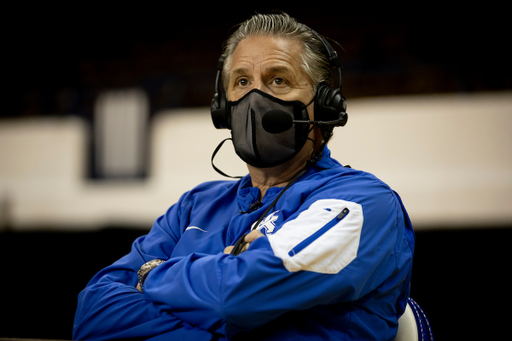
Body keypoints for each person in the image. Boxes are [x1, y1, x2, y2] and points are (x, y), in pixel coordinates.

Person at [73, 12, 415, 341]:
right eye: (241, 82)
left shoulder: (364, 203)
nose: (255, 98)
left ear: (325, 105)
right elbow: (94, 312)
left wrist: (150, 275)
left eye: (278, 80)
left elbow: (237, 294)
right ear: (223, 107)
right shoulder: (195, 206)